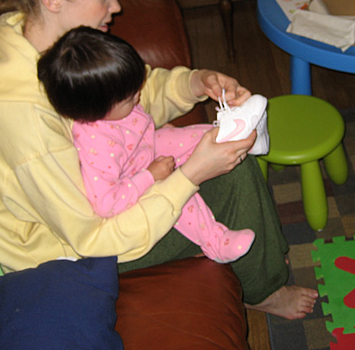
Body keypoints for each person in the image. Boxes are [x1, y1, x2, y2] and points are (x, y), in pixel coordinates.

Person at [0, 0, 318, 319]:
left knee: (228, 159)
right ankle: (262, 288)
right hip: (66, 251)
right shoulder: (23, 120)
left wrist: (196, 83)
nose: (117, 6)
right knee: (229, 173)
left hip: (106, 191)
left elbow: (130, 100)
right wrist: (187, 177)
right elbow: (93, 237)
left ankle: (259, 263)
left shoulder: (57, 42)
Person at [37, 26, 255, 263]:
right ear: (97, 109)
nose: (138, 96)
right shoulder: (96, 144)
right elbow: (107, 203)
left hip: (148, 148)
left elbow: (135, 125)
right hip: (137, 182)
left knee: (200, 137)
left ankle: (238, 136)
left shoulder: (110, 106)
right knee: (180, 194)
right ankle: (216, 242)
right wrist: (150, 177)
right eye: (130, 98)